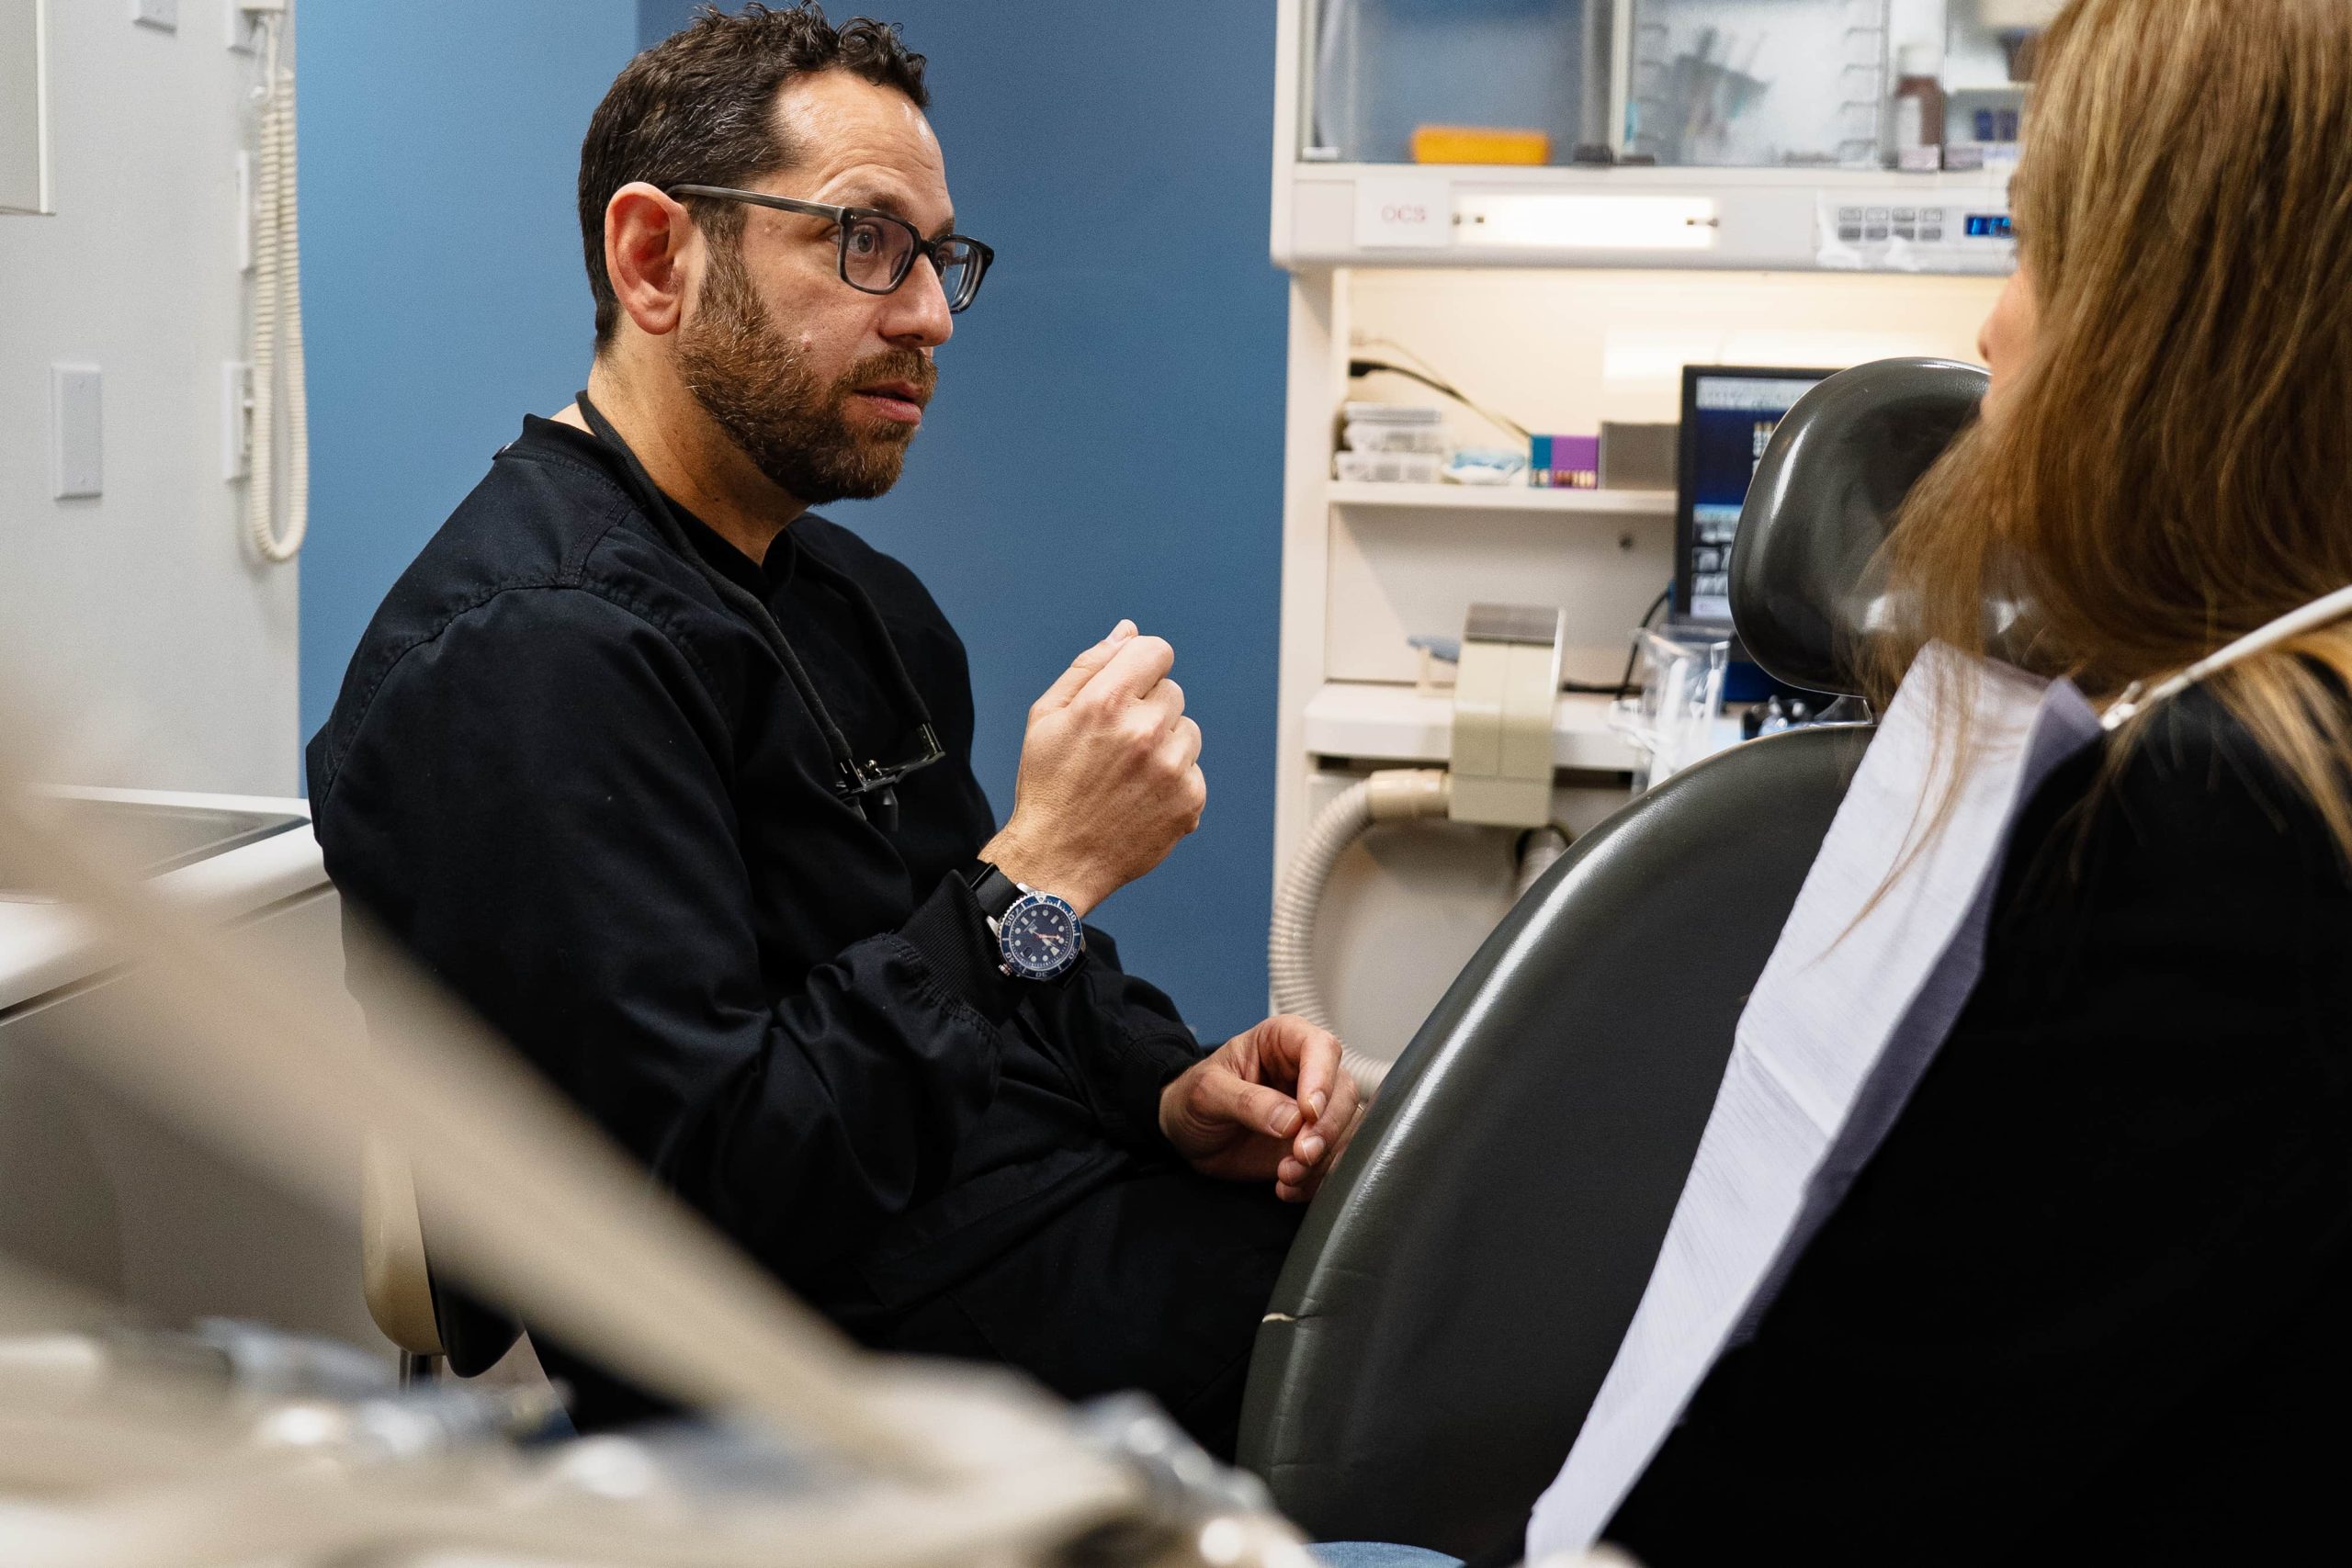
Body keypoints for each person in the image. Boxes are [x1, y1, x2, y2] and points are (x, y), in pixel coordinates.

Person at [1329, 1, 2352, 1563]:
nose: (1995, 331)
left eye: (2033, 252)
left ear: (2182, 323)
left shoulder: (2221, 835)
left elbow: (1822, 1489)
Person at [306, 3, 1363, 1454]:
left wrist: (1164, 1086)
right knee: (1487, 1381)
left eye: (940, 259)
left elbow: (989, 962)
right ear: (655, 257)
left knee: (1486, 1260)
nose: (928, 313)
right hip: (842, 1395)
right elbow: (708, 1212)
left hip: (1039, 1237)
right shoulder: (531, 663)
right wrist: (1042, 871)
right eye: (866, 241)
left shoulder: (857, 603)